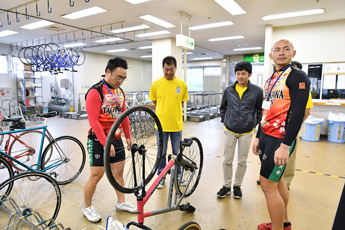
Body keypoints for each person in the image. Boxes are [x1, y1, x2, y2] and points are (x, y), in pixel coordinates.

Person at [252, 39, 310, 230]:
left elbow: (299, 113)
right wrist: (258, 136)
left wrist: (285, 146)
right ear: (270, 56)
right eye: (277, 50)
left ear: (293, 53)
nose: (282, 52)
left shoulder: (297, 77)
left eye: (286, 49)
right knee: (278, 182)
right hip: (267, 136)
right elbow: (265, 110)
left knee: (268, 186)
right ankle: (284, 222)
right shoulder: (271, 80)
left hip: (280, 139)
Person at [83, 57, 136, 223]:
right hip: (98, 139)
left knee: (118, 174)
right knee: (96, 176)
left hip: (117, 137)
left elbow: (123, 116)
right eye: (118, 77)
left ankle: (121, 202)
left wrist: (128, 135)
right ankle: (87, 207)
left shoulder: (120, 92)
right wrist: (106, 143)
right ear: (108, 72)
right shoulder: (95, 92)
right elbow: (93, 120)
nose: (120, 81)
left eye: (123, 78)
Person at [256, 61, 313, 189]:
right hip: (270, 132)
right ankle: (275, 179)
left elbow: (305, 112)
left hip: (286, 133)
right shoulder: (274, 83)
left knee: (286, 162)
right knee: (272, 165)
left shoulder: (300, 87)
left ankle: (285, 183)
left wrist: (290, 127)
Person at [217, 61, 263, 199]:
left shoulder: (257, 92)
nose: (241, 76)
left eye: (244, 73)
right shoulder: (229, 90)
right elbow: (223, 107)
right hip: (230, 129)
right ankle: (226, 186)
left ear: (249, 74)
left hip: (246, 131)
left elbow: (260, 110)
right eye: (238, 73)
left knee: (242, 161)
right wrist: (225, 120)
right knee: (227, 160)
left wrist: (254, 122)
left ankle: (237, 186)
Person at [148, 56, 188, 189]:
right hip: (161, 126)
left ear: (176, 68)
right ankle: (161, 177)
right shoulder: (156, 84)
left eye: (171, 69)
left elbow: (181, 103)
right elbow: (155, 102)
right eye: (166, 69)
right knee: (162, 153)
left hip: (176, 125)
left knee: (177, 153)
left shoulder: (182, 85)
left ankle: (179, 176)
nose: (169, 72)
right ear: (163, 68)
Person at [282, 61, 313, 189]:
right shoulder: (279, 85)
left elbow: (306, 111)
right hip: (275, 127)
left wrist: (293, 125)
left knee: (288, 156)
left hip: (290, 127)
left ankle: (286, 182)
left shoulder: (303, 89)